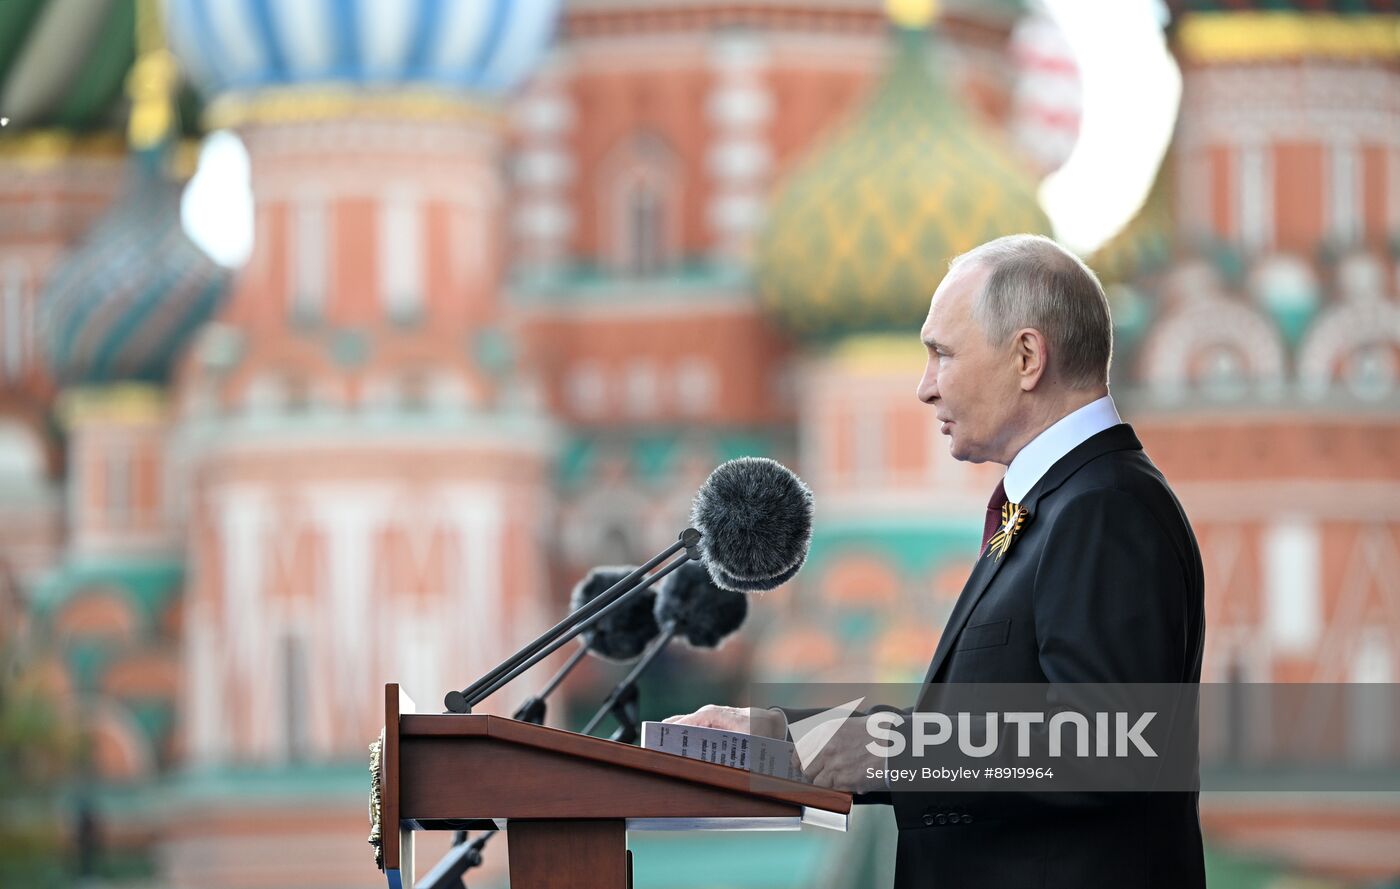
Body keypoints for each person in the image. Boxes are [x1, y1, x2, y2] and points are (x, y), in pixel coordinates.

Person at [664, 234, 1206, 888]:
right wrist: (784, 737)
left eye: (942, 355)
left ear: (1027, 356)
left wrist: (857, 752)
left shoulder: (1103, 507)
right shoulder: (1055, 506)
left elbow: (1104, 744)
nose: (924, 388)